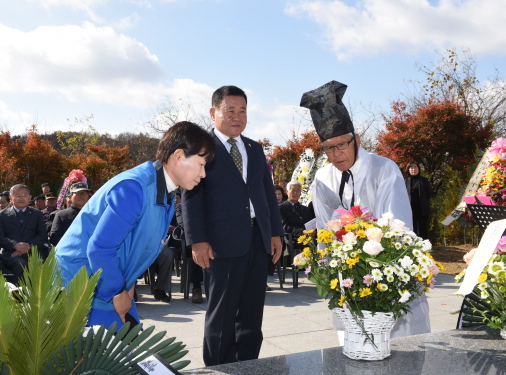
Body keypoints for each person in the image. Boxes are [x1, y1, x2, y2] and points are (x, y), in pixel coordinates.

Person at [300, 80, 430, 340]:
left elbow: (398, 225)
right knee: (354, 345)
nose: (336, 154)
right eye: (328, 148)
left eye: (342, 145)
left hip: (387, 270)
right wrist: (328, 269)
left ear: (356, 139)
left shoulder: (384, 168)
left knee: (399, 343)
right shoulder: (323, 177)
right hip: (349, 274)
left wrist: (381, 263)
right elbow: (326, 230)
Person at [55, 121, 215, 331]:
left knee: (129, 352)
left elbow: (134, 245)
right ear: (178, 156)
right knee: (101, 360)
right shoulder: (134, 188)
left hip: (110, 282)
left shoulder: (165, 192)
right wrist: (117, 291)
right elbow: (100, 249)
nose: (203, 174)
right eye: (201, 164)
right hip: (81, 286)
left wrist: (128, 284)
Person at [181, 86, 284, 366]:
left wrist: (275, 233)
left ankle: (248, 366)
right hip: (219, 244)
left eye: (242, 111)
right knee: (223, 315)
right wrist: (197, 240)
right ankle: (217, 368)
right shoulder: (203, 150)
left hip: (257, 240)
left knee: (252, 314)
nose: (237, 117)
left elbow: (267, 196)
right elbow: (191, 197)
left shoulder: (254, 148)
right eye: (230, 110)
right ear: (214, 113)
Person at [0, 184, 47, 284]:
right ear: (10, 198)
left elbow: (42, 235)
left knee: (40, 264)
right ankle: (20, 296)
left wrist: (26, 247)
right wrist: (15, 245)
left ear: (29, 197)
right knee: (20, 265)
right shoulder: (1, 214)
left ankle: (40, 297)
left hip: (33, 251)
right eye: (17, 196)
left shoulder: (37, 214)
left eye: (24, 195)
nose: (21, 198)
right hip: (10, 253)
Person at [49, 182, 90, 247]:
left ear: (88, 196)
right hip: (68, 252)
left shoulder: (93, 214)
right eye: (78, 193)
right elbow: (54, 238)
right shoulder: (62, 215)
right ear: (70, 196)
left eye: (84, 193)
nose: (81, 196)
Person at [405, 161, 432, 239]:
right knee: (412, 229)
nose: (413, 169)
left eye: (415, 167)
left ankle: (425, 247)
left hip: (422, 209)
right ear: (408, 170)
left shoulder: (424, 180)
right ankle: (413, 247)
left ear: (419, 169)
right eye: (411, 167)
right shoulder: (405, 181)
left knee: (423, 229)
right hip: (410, 209)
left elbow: (429, 194)